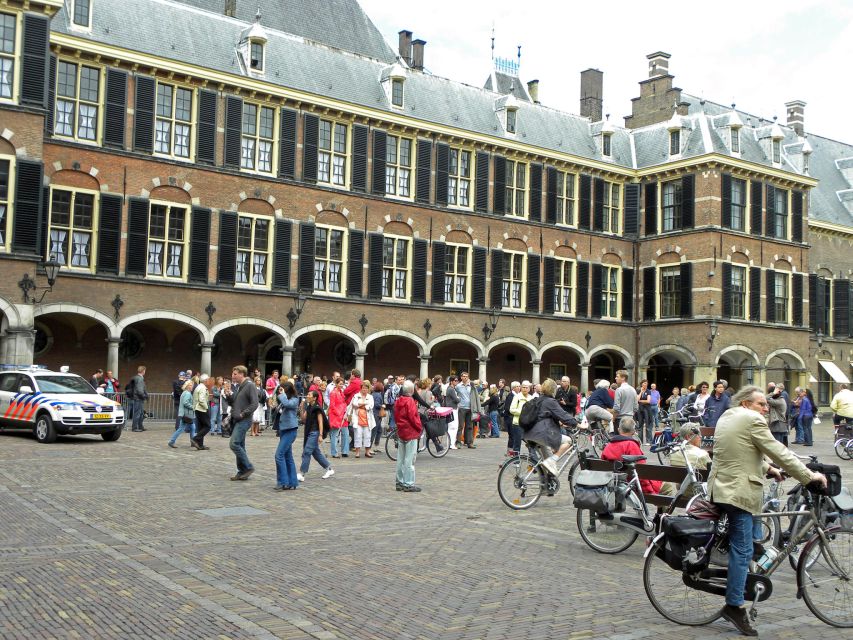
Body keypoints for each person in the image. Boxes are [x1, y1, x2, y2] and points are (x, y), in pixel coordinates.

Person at [708, 385, 825, 636]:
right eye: (761, 404)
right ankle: (734, 606)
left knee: (749, 543)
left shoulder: (728, 417)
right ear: (746, 404)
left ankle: (745, 580)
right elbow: (779, 451)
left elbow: (739, 453)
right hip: (738, 493)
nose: (765, 409)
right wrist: (809, 477)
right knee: (743, 550)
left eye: (766, 405)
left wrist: (767, 469)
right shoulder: (751, 419)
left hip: (722, 488)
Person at [524, 378, 578, 476]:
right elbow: (563, 415)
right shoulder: (550, 401)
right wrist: (577, 424)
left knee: (547, 467)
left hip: (529, 433)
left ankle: (545, 489)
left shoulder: (539, 399)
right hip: (541, 434)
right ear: (553, 390)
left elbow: (544, 415)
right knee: (568, 441)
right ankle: (552, 461)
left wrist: (560, 423)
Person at [601, 418, 662, 495]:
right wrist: (650, 491)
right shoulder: (631, 445)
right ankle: (662, 506)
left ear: (619, 429)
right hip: (632, 485)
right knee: (667, 487)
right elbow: (641, 471)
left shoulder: (608, 446)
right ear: (633, 431)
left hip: (612, 483)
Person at [226, 365, 260, 481]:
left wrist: (243, 414)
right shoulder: (240, 386)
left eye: (235, 374)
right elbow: (235, 403)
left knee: (234, 444)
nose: (233, 376)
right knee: (240, 445)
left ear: (242, 374)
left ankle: (248, 467)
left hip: (244, 420)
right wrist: (228, 395)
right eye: (233, 373)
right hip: (237, 419)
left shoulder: (250, 385)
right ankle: (242, 471)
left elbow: (254, 403)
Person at [660, 423, 711, 496]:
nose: (700, 437)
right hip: (698, 494)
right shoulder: (702, 454)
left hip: (681, 493)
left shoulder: (673, 453)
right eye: (698, 435)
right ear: (688, 436)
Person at [297, 390, 335, 482]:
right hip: (309, 432)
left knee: (306, 452)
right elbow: (303, 419)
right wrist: (301, 408)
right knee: (316, 453)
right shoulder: (309, 407)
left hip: (315, 432)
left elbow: (320, 422)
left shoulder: (317, 408)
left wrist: (321, 435)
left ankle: (302, 473)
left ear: (314, 398)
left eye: (309, 395)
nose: (307, 396)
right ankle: (329, 469)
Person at [394, 380, 422, 492]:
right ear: (411, 390)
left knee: (401, 459)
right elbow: (413, 417)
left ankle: (399, 481)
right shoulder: (410, 401)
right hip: (410, 431)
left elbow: (396, 416)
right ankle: (408, 483)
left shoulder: (399, 400)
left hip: (401, 430)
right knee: (409, 459)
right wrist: (419, 427)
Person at [274, 382, 300, 491]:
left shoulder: (295, 399)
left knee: (278, 455)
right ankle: (292, 482)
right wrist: (274, 405)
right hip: (284, 430)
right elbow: (280, 409)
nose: (280, 391)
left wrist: (282, 395)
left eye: (282, 389)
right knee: (287, 456)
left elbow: (288, 404)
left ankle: (282, 482)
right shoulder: (285, 399)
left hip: (290, 430)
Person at [455, 371, 482, 448]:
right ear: (461, 377)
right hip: (461, 408)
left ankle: (469, 442)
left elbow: (476, 396)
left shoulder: (472, 386)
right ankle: (458, 442)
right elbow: (455, 395)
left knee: (469, 426)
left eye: (466, 376)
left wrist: (477, 408)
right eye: (463, 376)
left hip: (470, 408)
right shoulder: (458, 386)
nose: (465, 377)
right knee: (460, 426)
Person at [349, 380, 375, 458]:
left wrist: (361, 405)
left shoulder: (370, 397)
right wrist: (364, 404)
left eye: (366, 388)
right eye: (363, 388)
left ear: (368, 389)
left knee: (368, 436)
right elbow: (354, 404)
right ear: (361, 388)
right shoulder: (356, 396)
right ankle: (357, 452)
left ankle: (367, 452)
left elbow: (370, 406)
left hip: (368, 419)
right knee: (358, 436)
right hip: (358, 419)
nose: (364, 390)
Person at [168, 379, 195, 448]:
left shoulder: (184, 392)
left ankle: (193, 442)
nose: (192, 387)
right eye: (190, 385)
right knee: (182, 429)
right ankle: (172, 441)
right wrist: (193, 407)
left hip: (184, 414)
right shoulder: (187, 393)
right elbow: (186, 403)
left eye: (192, 385)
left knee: (192, 427)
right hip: (186, 414)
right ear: (187, 386)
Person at [509, 380, 532, 455]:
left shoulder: (531, 398)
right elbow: (511, 410)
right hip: (517, 423)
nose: (525, 389)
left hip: (528, 423)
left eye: (526, 387)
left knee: (531, 442)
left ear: (529, 389)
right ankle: (516, 460)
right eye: (523, 387)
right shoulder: (517, 397)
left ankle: (532, 459)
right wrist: (522, 412)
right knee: (517, 442)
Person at [329, 377, 351, 458]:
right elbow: (332, 406)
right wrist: (339, 413)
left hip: (343, 415)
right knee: (335, 435)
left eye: (342, 384)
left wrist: (345, 413)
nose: (341, 385)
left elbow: (343, 403)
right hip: (336, 416)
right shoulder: (333, 393)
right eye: (340, 384)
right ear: (336, 384)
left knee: (345, 433)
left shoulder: (341, 392)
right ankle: (334, 453)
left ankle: (345, 451)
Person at [612, 370, 637, 434]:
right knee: (628, 438)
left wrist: (613, 418)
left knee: (618, 440)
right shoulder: (633, 389)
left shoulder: (619, 390)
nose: (615, 378)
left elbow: (616, 408)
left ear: (623, 378)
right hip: (630, 418)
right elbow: (635, 407)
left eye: (617, 376)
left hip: (620, 419)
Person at [191, 374, 212, 450]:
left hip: (197, 409)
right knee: (207, 426)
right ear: (206, 380)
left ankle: (200, 445)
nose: (209, 381)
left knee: (201, 427)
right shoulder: (203, 388)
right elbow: (202, 399)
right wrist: (206, 408)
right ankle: (195, 439)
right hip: (202, 409)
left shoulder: (198, 387)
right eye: (208, 379)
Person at [127, 365, 148, 432]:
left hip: (136, 397)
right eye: (145, 371)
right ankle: (135, 427)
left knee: (141, 413)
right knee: (138, 413)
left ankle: (140, 426)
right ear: (143, 371)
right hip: (138, 398)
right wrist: (144, 396)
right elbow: (139, 390)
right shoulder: (140, 379)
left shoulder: (135, 377)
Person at [443, 375, 460, 449]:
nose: (457, 382)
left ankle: (451, 443)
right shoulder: (451, 389)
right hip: (452, 409)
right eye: (455, 380)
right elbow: (457, 400)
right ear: (451, 381)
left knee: (452, 427)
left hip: (452, 409)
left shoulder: (451, 389)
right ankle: (451, 444)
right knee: (453, 427)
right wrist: (459, 398)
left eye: (457, 380)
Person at [636, 379, 653, 444]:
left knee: (648, 425)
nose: (645, 384)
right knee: (640, 425)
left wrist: (640, 401)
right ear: (641, 384)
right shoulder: (638, 390)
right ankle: (640, 441)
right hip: (640, 409)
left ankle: (649, 441)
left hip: (647, 409)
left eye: (646, 383)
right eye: (644, 383)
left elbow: (648, 401)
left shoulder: (648, 391)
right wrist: (641, 392)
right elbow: (637, 399)